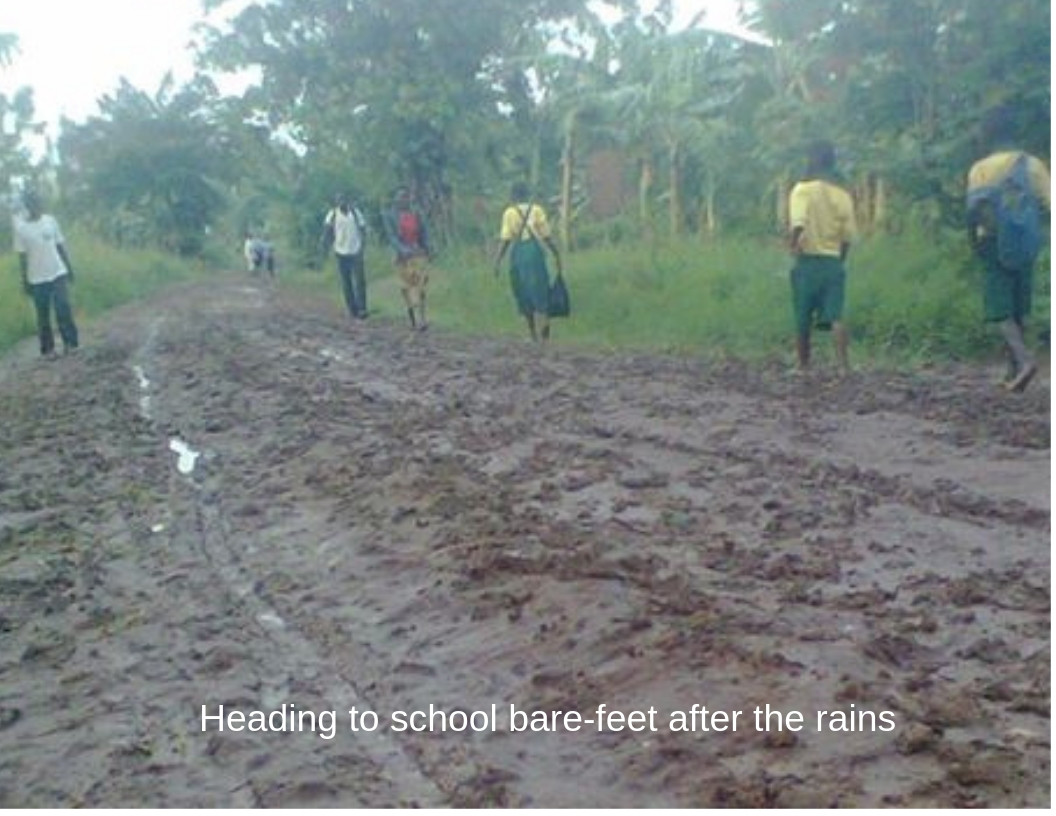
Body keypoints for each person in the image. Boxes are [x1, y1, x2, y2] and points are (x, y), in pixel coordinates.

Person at [966, 105, 1051, 392]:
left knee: (999, 310)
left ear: (988, 134)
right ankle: (1012, 371)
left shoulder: (980, 169)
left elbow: (973, 212)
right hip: (1026, 242)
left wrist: (974, 242)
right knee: (1018, 307)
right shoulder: (1033, 165)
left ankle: (1025, 361)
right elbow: (1049, 204)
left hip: (993, 243)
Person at [787, 140, 857, 375]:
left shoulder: (801, 191)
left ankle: (803, 365)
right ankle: (843, 365)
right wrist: (839, 260)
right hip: (833, 261)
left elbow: (798, 225)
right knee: (836, 315)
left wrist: (792, 249)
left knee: (802, 316)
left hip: (807, 262)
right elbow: (847, 238)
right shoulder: (843, 196)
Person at [492, 181, 563, 342]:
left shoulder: (509, 213)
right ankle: (545, 327)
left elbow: (505, 240)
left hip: (519, 254)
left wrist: (497, 262)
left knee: (522, 291)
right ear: (526, 194)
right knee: (541, 288)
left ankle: (532, 334)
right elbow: (546, 236)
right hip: (535, 253)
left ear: (513, 195)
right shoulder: (537, 210)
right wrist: (556, 254)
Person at [13, 189, 79, 359]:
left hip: (57, 271)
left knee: (63, 307)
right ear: (28, 206)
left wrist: (69, 268)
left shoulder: (50, 221)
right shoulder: (21, 229)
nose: (37, 206)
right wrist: (25, 281)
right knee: (43, 314)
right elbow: (22, 257)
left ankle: (71, 343)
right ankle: (48, 349)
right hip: (36, 277)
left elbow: (59, 245)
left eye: (39, 202)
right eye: (33, 203)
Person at [383, 187, 432, 330]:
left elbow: (424, 232)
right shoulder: (390, 216)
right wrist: (403, 251)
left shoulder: (416, 213)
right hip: (402, 257)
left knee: (421, 286)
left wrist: (427, 248)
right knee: (407, 288)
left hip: (418, 254)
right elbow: (392, 237)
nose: (404, 200)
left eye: (407, 197)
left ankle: (422, 318)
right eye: (402, 197)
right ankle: (413, 318)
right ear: (396, 200)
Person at [321, 194, 368, 319]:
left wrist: (363, 246)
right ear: (336, 202)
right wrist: (326, 247)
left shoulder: (356, 213)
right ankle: (352, 309)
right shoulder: (332, 215)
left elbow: (363, 229)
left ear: (348, 200)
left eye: (344, 199)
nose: (342, 202)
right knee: (346, 281)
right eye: (339, 200)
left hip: (356, 250)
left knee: (360, 281)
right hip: (340, 251)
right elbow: (327, 231)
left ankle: (362, 308)